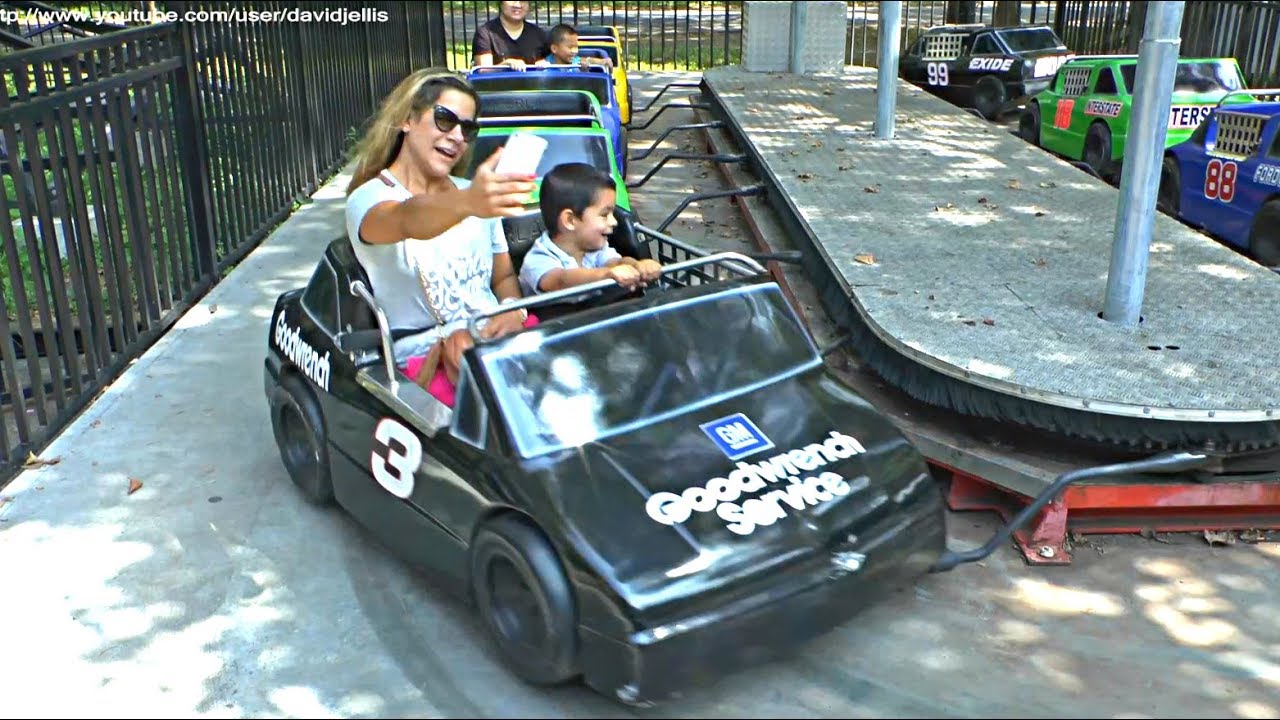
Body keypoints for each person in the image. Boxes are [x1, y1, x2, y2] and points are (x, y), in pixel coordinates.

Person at [345, 68, 540, 407]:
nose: (457, 137)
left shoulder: (473, 193)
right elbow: (407, 219)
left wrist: (513, 311)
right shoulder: (368, 198)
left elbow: (504, 277)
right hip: (427, 361)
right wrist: (468, 204)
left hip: (497, 342)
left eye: (468, 128)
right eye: (445, 119)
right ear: (408, 119)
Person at [519, 162, 661, 299]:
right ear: (570, 220)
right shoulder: (539, 258)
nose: (614, 221)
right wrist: (606, 275)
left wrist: (638, 266)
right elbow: (559, 280)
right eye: (604, 215)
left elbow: (616, 262)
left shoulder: (594, 249)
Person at [471, 1, 550, 71]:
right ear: (501, 4)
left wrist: (545, 63)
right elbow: (483, 70)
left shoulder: (538, 33)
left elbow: (554, 62)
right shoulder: (485, 33)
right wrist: (506, 65)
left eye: (523, 1)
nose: (518, 5)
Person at [544, 23, 614, 71]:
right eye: (570, 47)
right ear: (554, 49)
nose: (575, 51)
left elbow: (587, 60)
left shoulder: (575, 62)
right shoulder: (546, 65)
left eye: (576, 47)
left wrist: (604, 61)